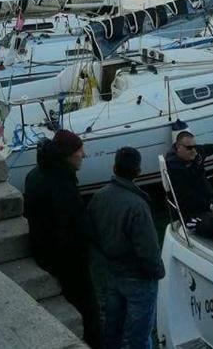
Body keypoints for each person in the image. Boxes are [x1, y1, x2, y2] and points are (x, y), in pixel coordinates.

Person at [24, 130, 102, 349]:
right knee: (90, 312)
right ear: (68, 154)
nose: (84, 155)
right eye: (80, 150)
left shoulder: (36, 175)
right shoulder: (61, 185)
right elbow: (68, 228)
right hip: (66, 261)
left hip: (46, 251)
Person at [87, 147, 164, 349]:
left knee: (112, 329)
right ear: (138, 171)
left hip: (112, 273)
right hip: (139, 278)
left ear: (114, 167)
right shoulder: (138, 205)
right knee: (140, 335)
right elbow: (148, 248)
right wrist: (157, 271)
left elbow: (91, 234)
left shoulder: (98, 197)